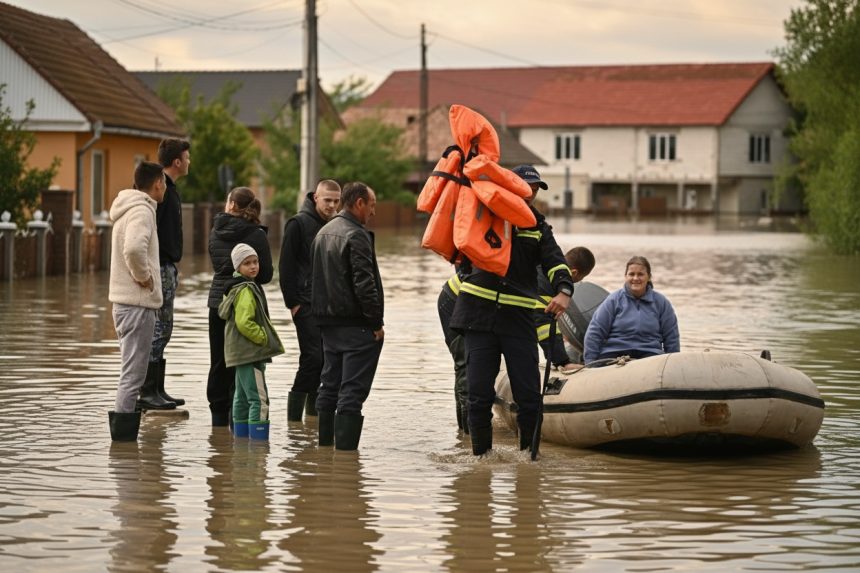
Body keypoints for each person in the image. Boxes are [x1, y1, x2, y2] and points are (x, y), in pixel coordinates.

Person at [450, 164, 574, 456]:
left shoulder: (538, 226)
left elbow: (555, 262)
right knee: (478, 395)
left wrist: (564, 290)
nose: (531, 192)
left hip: (517, 322)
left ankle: (529, 459)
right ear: (510, 186)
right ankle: (481, 459)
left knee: (530, 396)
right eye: (526, 186)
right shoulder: (487, 214)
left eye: (535, 188)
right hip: (478, 318)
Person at [310, 181, 384, 451]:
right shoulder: (356, 235)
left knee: (329, 386)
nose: (373, 212)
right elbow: (365, 284)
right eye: (372, 205)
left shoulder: (323, 232)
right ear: (360, 203)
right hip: (356, 326)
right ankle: (345, 461)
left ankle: (325, 454)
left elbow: (314, 280)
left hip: (327, 325)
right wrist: (376, 323)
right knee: (352, 393)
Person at [108, 161, 168, 441]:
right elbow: (133, 248)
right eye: (164, 183)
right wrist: (145, 278)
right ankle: (123, 446)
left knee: (130, 373)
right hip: (137, 304)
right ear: (157, 183)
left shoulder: (126, 208)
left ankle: (124, 453)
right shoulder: (142, 211)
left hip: (124, 304)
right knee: (133, 376)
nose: (165, 188)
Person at [206, 187, 273, 426]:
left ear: (232, 205)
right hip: (247, 303)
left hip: (218, 302)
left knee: (218, 361)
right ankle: (241, 424)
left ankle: (218, 426)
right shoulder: (256, 234)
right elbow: (265, 275)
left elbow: (216, 263)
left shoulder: (215, 230)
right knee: (244, 362)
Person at [280, 179, 342, 422]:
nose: (332, 205)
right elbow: (285, 266)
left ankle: (312, 416)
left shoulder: (337, 224)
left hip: (329, 304)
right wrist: (292, 303)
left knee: (326, 358)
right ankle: (294, 419)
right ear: (316, 197)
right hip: (304, 303)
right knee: (312, 357)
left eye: (336, 201)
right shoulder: (297, 223)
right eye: (328, 200)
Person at [141, 137, 191, 411]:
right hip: (160, 266)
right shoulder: (161, 191)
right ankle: (148, 392)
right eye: (187, 157)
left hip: (168, 265)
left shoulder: (170, 188)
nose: (189, 162)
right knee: (160, 329)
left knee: (165, 329)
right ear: (177, 161)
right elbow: (149, 230)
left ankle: (157, 389)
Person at [218, 244, 284, 440]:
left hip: (238, 353)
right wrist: (262, 336)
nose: (253, 266)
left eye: (255, 262)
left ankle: (241, 445)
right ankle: (259, 450)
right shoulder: (246, 289)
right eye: (247, 263)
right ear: (238, 267)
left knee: (241, 397)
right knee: (259, 400)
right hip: (250, 352)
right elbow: (244, 322)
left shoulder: (234, 288)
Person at [583, 255, 680, 364]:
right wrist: (590, 362)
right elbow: (595, 331)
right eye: (631, 274)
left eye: (640, 274)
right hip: (614, 353)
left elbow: (671, 337)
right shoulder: (613, 300)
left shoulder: (661, 303)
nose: (635, 278)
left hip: (650, 354)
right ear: (625, 276)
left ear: (649, 277)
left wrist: (672, 363)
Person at [536, 246, 596, 373]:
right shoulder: (547, 285)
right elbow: (544, 325)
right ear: (574, 273)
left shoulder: (543, 264)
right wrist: (563, 362)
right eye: (580, 278)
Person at [436, 265, 469, 433]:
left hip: (460, 299)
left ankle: (464, 432)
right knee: (466, 366)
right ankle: (467, 435)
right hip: (454, 303)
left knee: (465, 368)